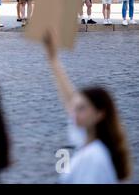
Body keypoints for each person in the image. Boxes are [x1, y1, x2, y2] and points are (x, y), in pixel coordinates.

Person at [42, 32, 131, 184]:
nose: (74, 112)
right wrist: (53, 59)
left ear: (99, 114)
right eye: (77, 108)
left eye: (82, 108)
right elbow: (70, 99)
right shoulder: (89, 140)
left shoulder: (93, 158)